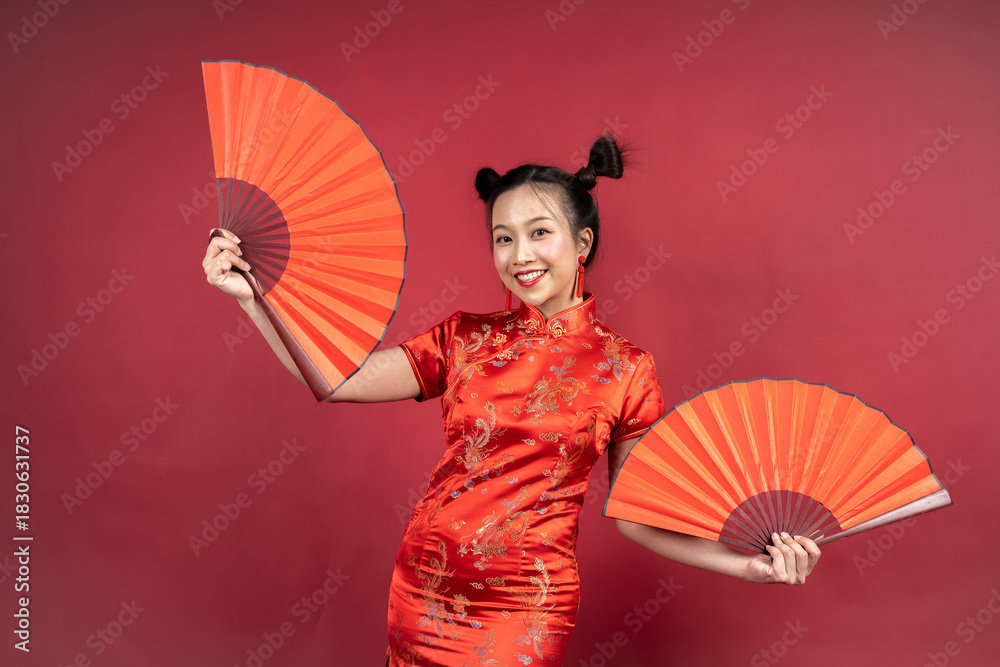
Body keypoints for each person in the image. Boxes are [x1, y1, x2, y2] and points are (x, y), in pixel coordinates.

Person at [203, 135, 821, 666]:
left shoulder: (626, 368)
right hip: (422, 591)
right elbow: (340, 380)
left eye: (539, 233)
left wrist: (749, 566)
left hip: (525, 606)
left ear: (582, 243)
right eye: (503, 238)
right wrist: (252, 299)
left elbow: (635, 516)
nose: (519, 255)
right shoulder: (463, 338)